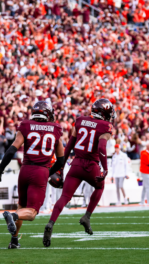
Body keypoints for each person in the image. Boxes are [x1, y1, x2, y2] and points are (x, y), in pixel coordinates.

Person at [43, 99, 115, 247]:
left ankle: (51, 222)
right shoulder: (105, 126)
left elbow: (69, 144)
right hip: (91, 166)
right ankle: (87, 216)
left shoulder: (80, 120)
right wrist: (105, 168)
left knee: (64, 197)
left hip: (76, 164)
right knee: (100, 187)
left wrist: (62, 165)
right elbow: (101, 148)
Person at [0, 101, 64, 249]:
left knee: (22, 205)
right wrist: (49, 173)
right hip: (40, 171)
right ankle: (13, 216)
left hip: (25, 170)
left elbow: (12, 150)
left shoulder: (26, 125)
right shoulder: (55, 128)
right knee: (31, 213)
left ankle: (14, 241)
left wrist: (0, 169)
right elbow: (61, 160)